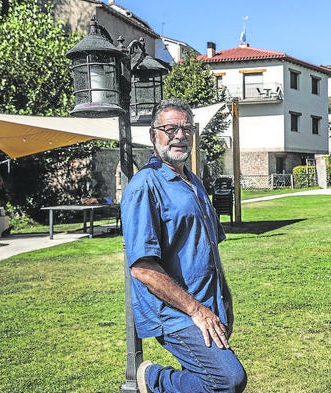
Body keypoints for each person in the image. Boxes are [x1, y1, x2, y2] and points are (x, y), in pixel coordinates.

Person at [120, 97, 247, 393]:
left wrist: (224, 298)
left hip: (208, 304)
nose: (179, 136)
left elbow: (209, 250)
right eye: (170, 128)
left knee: (206, 378)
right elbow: (142, 268)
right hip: (174, 313)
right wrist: (196, 310)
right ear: (154, 135)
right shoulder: (145, 186)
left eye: (186, 129)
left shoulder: (193, 181)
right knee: (227, 380)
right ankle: (152, 380)